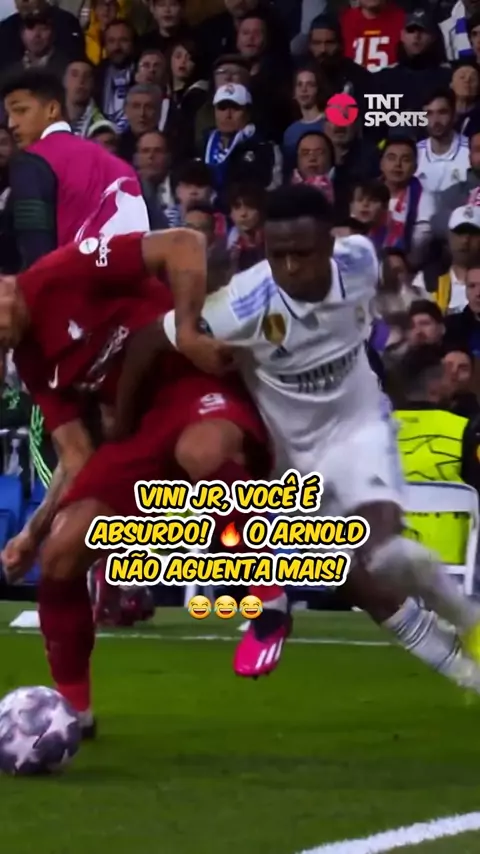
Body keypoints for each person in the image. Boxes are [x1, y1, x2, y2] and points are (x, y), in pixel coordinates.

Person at [116, 185, 480, 692]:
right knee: (356, 582)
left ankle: (469, 622)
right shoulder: (242, 303)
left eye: (302, 253)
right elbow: (150, 340)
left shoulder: (359, 259)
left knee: (388, 555)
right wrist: (122, 420)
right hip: (289, 458)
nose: (289, 267)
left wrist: (397, 319)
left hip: (358, 432)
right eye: (277, 253)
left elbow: (383, 287)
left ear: (330, 244)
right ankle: (464, 673)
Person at [0, 228, 271, 734]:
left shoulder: (63, 271)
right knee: (60, 554)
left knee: (201, 451)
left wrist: (186, 330)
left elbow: (184, 244)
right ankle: (73, 713)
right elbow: (77, 455)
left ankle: (269, 596)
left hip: (190, 383)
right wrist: (32, 536)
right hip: (134, 430)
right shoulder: (33, 360)